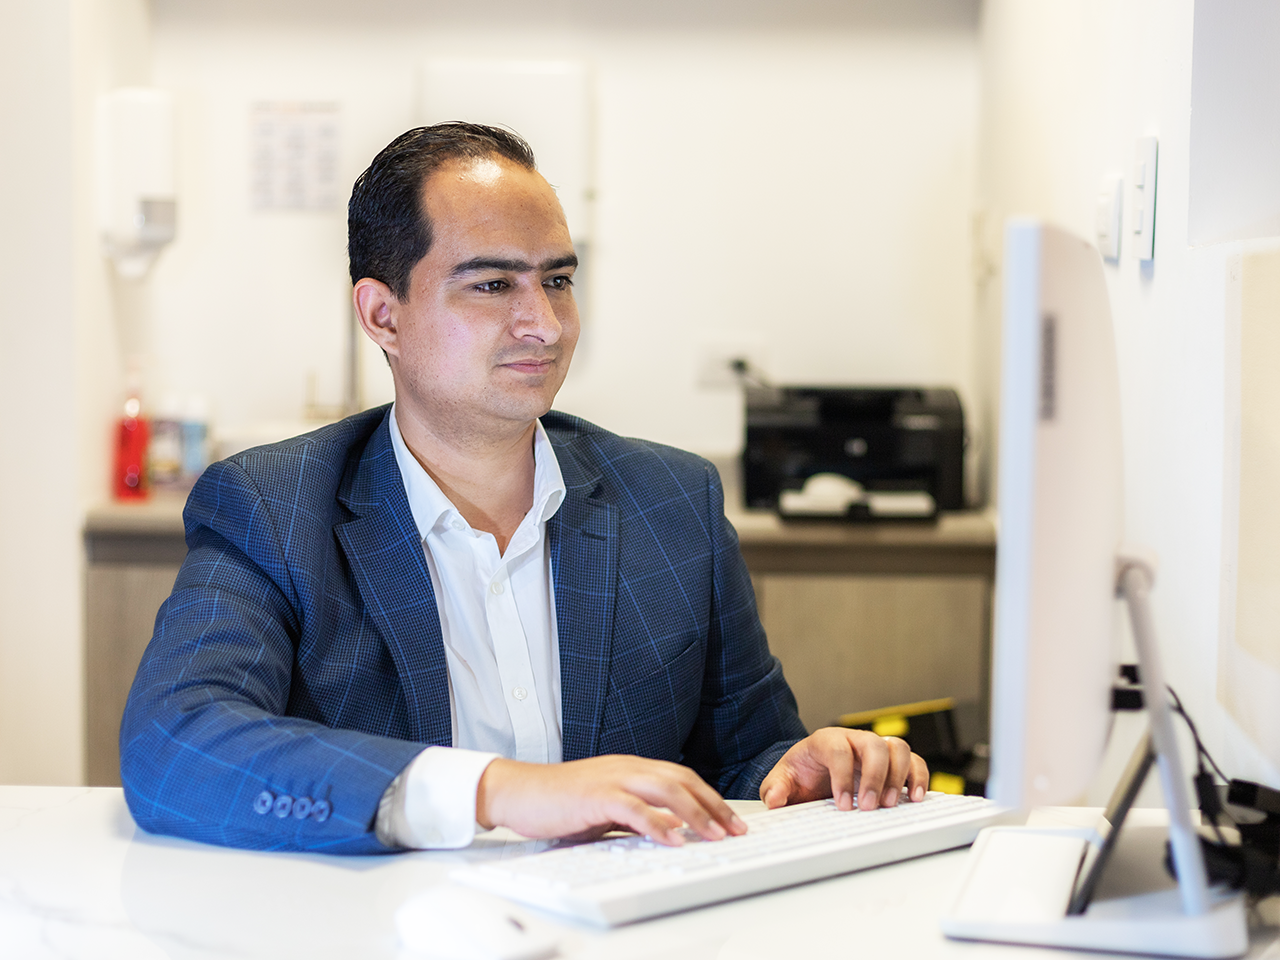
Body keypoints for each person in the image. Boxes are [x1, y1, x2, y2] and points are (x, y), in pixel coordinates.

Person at [120, 123, 928, 854]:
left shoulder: (675, 500)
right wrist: (501, 791)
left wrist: (801, 770)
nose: (544, 323)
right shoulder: (273, 507)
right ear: (383, 316)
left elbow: (744, 758)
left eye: (558, 280)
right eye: (492, 285)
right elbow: (176, 744)